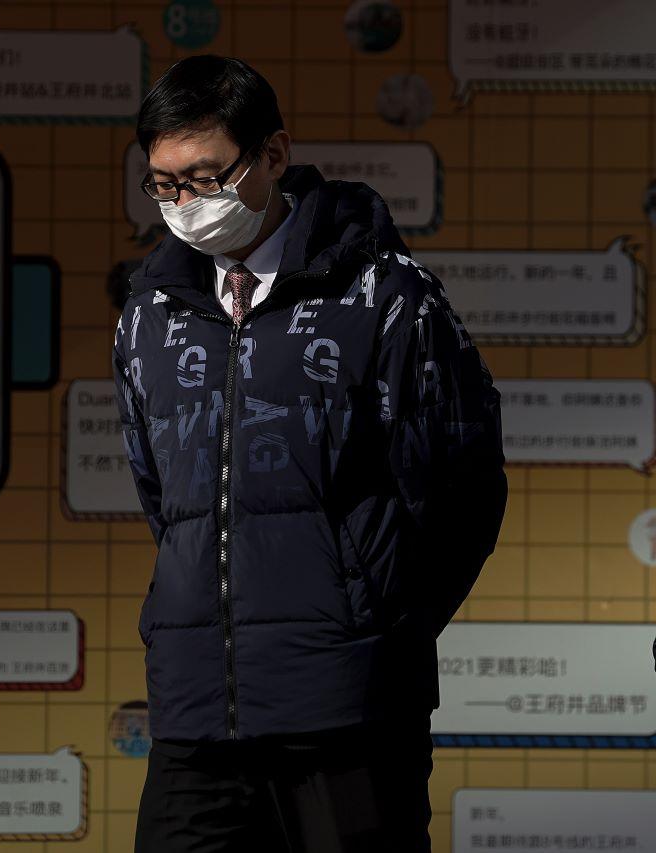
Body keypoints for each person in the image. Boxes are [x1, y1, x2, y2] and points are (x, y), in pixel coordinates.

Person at [112, 55, 508, 851]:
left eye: (206, 176)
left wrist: (375, 628)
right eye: (164, 185)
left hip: (349, 711)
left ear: (274, 155)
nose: (187, 204)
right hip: (195, 711)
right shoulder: (149, 313)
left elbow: (462, 485)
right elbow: (165, 495)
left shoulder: (385, 295)